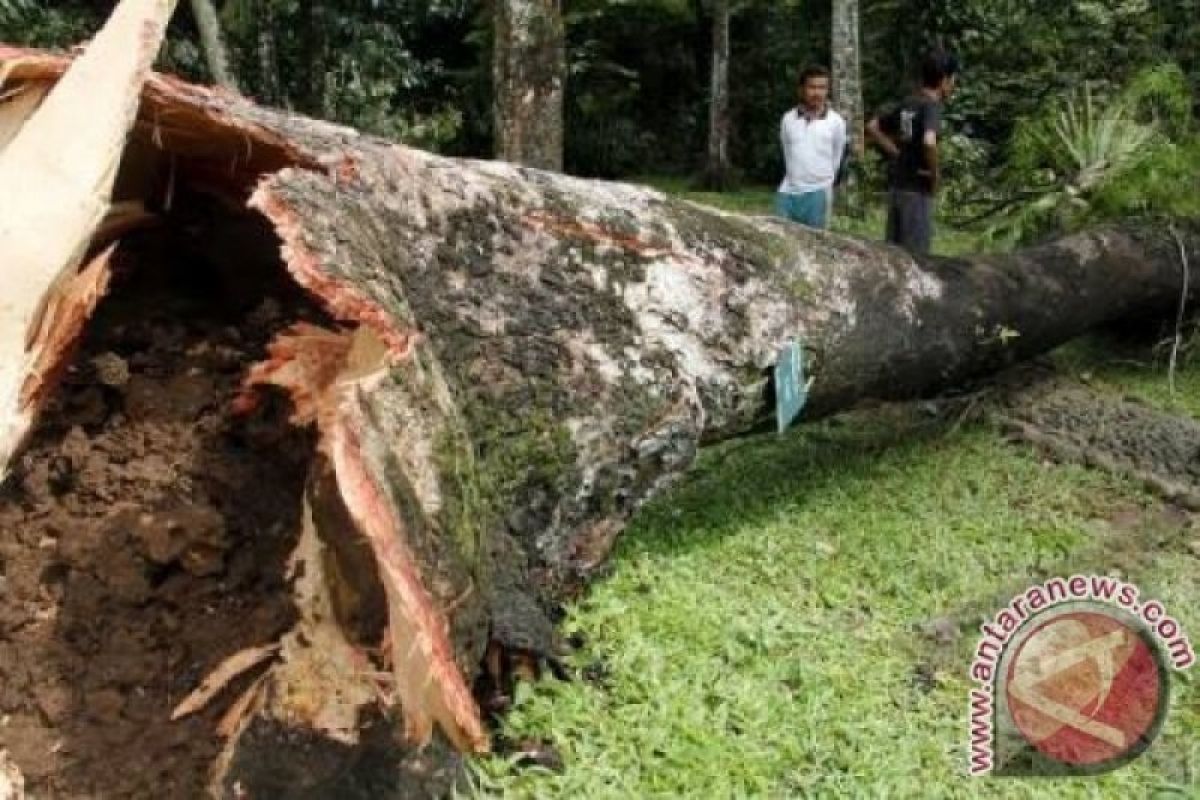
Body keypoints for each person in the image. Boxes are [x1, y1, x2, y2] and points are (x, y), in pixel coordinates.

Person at [867, 51, 959, 255]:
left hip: (897, 186)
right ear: (944, 80)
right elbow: (929, 142)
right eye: (952, 80)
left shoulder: (908, 103)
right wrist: (935, 175)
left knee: (893, 255)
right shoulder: (931, 107)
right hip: (918, 190)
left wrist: (895, 152)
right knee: (917, 258)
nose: (953, 85)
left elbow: (873, 126)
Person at [775, 65, 848, 230]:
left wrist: (823, 181)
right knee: (780, 241)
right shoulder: (788, 119)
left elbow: (837, 158)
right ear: (802, 90)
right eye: (812, 87)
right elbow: (787, 152)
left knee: (816, 245)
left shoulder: (836, 122)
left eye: (822, 88)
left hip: (818, 193)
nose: (817, 93)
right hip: (788, 191)